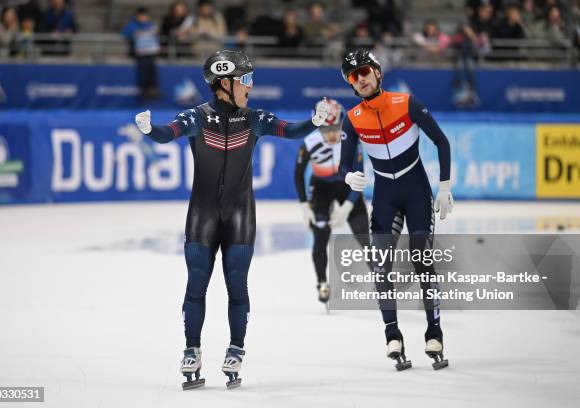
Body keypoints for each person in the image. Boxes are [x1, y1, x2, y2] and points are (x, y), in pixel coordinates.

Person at [134, 49, 332, 389]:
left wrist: (314, 121)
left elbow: (290, 130)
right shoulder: (197, 117)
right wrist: (149, 129)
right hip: (203, 213)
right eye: (247, 80)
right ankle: (191, 350)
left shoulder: (253, 118)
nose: (251, 87)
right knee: (196, 284)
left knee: (236, 286)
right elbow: (167, 133)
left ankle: (236, 348)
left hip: (240, 213)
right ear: (224, 83)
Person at [338, 50, 453, 371]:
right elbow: (343, 164)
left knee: (420, 258)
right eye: (352, 76)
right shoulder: (353, 118)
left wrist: (444, 186)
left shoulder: (407, 103)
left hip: (416, 193)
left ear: (376, 72)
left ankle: (435, 332)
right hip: (385, 197)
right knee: (380, 264)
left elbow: (442, 142)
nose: (359, 79)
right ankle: (393, 334)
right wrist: (347, 175)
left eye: (363, 72)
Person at [294, 99, 370, 306]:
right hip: (321, 189)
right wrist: (303, 204)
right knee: (320, 237)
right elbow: (298, 175)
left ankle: (381, 280)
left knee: (364, 236)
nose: (333, 134)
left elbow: (361, 176)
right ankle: (322, 282)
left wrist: (348, 206)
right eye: (326, 128)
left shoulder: (353, 142)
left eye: (337, 127)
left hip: (348, 187)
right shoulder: (309, 143)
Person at [122, 7, 162, 100]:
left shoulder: (151, 25)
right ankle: (144, 89)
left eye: (145, 16)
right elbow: (125, 34)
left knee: (152, 65)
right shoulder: (132, 26)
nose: (143, 18)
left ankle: (152, 88)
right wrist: (134, 34)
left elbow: (156, 36)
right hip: (137, 52)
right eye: (141, 16)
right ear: (137, 16)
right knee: (143, 65)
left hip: (150, 53)